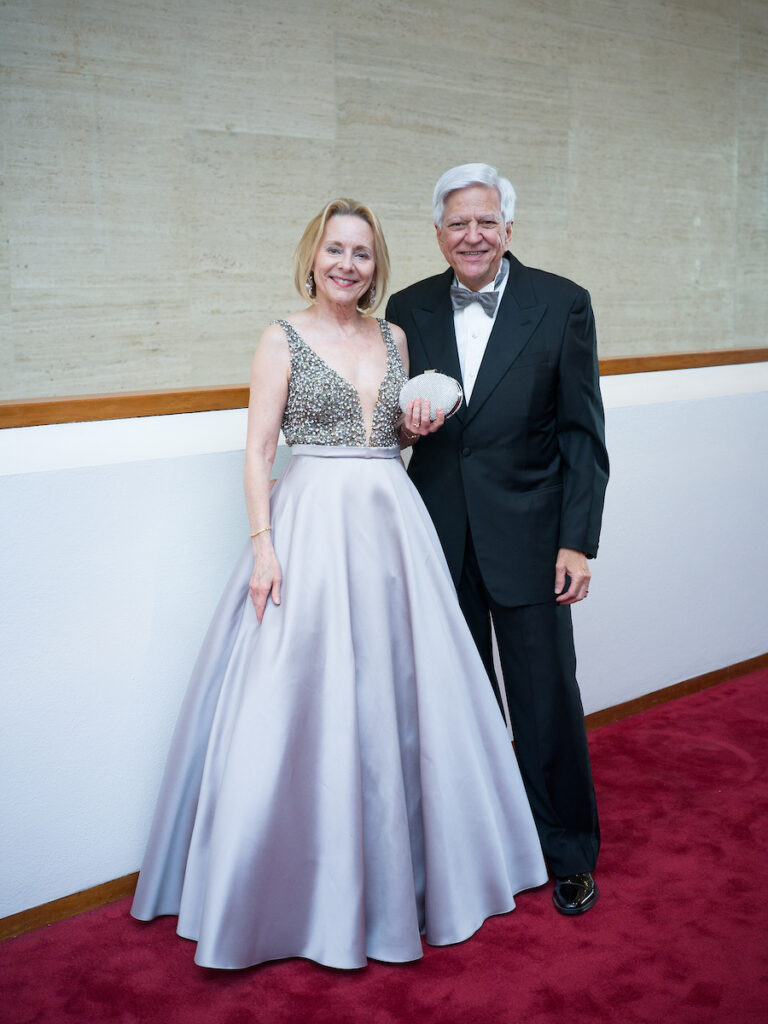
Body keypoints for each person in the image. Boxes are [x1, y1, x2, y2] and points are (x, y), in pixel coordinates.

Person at [130, 198, 547, 970]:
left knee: (406, 700)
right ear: (313, 256)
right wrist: (263, 546)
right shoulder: (279, 338)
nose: (347, 264)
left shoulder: (394, 336)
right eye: (335, 250)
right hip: (311, 523)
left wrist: (414, 428)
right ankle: (288, 890)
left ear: (375, 264)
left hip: (392, 522)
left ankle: (415, 876)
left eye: (361, 252)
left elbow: (392, 433)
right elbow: (258, 453)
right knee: (296, 698)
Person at [386, 164, 609, 916]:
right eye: (457, 224)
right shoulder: (407, 307)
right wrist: (401, 426)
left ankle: (568, 850)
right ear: (440, 234)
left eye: (485, 221)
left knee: (546, 700)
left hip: (533, 539)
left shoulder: (562, 303)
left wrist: (577, 542)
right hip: (438, 534)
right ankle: (478, 849)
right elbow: (390, 418)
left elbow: (583, 433)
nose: (472, 235)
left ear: (507, 228)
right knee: (460, 703)